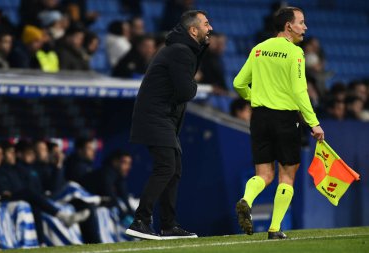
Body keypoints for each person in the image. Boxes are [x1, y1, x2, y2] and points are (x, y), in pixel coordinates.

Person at [233, 7, 324, 240]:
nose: (305, 28)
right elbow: (299, 91)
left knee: (263, 174)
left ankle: (247, 199)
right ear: (288, 26)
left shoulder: (258, 49)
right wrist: (313, 123)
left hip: (259, 118)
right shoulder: (295, 53)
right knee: (287, 176)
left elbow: (238, 83)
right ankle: (274, 229)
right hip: (285, 119)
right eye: (301, 23)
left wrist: (254, 98)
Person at [127, 10, 212, 240]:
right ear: (193, 30)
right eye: (206, 24)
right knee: (166, 167)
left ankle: (168, 225)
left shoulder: (180, 49)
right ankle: (140, 221)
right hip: (156, 117)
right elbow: (186, 91)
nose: (210, 28)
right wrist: (195, 83)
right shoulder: (180, 52)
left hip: (160, 117)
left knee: (174, 169)